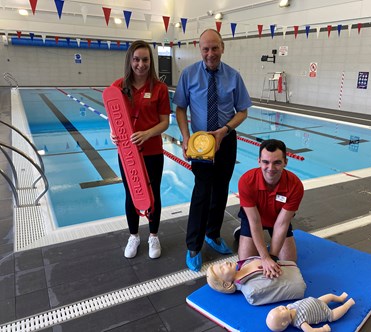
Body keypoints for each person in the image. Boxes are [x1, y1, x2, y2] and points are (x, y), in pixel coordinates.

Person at [173, 28, 252, 271]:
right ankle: (194, 245)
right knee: (201, 192)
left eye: (214, 48)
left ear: (222, 48)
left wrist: (224, 130)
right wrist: (186, 138)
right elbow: (180, 108)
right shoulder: (189, 74)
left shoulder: (233, 76)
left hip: (226, 140)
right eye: (206, 49)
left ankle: (213, 234)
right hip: (200, 143)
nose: (210, 53)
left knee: (221, 190)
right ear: (200, 49)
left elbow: (243, 111)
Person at [110, 40, 170, 259]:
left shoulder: (159, 88)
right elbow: (113, 116)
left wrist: (147, 133)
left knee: (153, 195)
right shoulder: (118, 87)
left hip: (152, 150)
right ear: (130, 61)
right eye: (136, 59)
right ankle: (134, 236)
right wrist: (112, 133)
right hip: (127, 153)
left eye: (145, 59)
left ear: (150, 61)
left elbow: (165, 123)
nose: (141, 64)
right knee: (130, 194)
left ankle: (153, 235)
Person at [237, 139, 304, 279]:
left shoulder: (295, 185)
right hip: (254, 220)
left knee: (289, 263)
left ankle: (261, 239)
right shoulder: (246, 181)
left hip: (278, 220)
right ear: (259, 161)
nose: (271, 168)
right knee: (246, 265)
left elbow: (282, 223)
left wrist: (271, 258)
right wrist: (264, 257)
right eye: (266, 162)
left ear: (285, 162)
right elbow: (255, 222)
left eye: (277, 162)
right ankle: (243, 232)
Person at [206, 257, 306, 306]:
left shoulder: (244, 264)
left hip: (291, 267)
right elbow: (281, 287)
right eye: (222, 269)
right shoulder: (252, 291)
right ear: (227, 284)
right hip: (297, 281)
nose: (225, 263)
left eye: (221, 263)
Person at [266, 292, 356, 331]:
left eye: (277, 308)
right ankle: (347, 305)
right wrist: (323, 329)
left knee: (330, 296)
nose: (280, 308)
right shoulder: (299, 322)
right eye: (280, 311)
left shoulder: (289, 306)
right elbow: (311, 331)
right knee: (333, 315)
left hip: (318, 301)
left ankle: (340, 298)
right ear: (284, 323)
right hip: (323, 313)